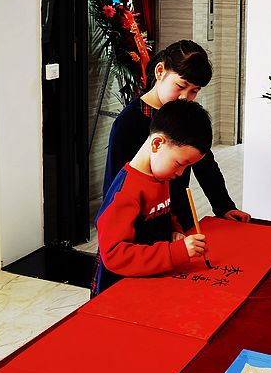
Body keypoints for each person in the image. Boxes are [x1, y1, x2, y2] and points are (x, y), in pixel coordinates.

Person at [103, 39, 250, 232]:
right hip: (143, 223)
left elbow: (205, 165)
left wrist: (224, 207)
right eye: (181, 86)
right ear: (160, 71)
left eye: (194, 91)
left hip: (179, 213)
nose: (185, 97)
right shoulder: (129, 122)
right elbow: (115, 185)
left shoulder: (186, 114)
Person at [90, 99, 212, 297]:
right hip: (120, 291)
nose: (180, 173)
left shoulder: (161, 175)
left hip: (151, 280)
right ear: (157, 144)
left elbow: (163, 211)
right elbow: (114, 255)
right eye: (180, 163)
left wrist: (174, 230)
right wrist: (176, 253)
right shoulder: (125, 192)